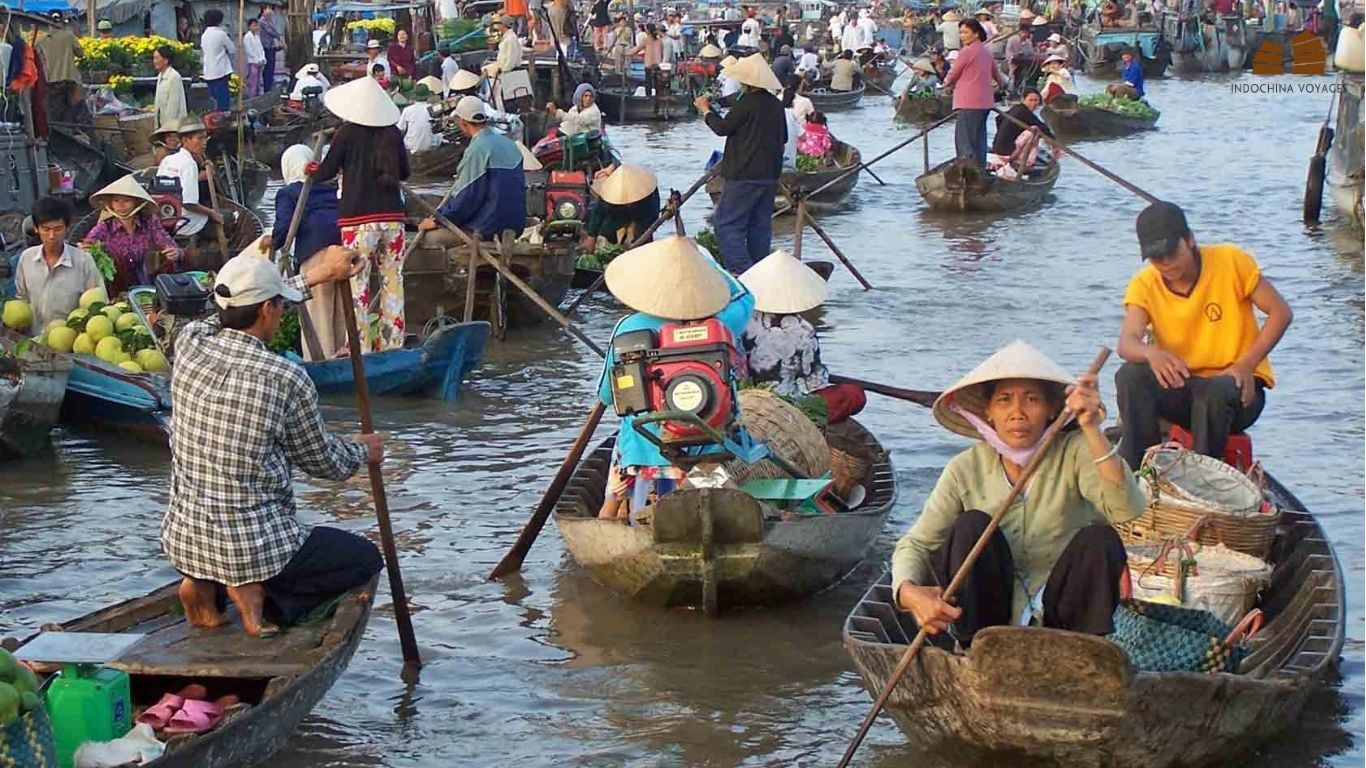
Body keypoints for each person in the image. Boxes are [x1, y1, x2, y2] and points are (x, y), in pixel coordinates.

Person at [163, 246, 385, 638]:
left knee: (226, 529)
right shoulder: (286, 377)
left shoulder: (189, 341)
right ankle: (259, 597)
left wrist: (318, 275)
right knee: (364, 559)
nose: (281, 311)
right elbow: (325, 464)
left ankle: (206, 582)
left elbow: (228, 310)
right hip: (256, 547)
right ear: (268, 311)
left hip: (185, 540)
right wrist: (363, 451)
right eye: (280, 305)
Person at [890, 340, 1145, 648]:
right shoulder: (965, 468)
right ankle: (974, 648)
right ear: (989, 412)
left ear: (1052, 409)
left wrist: (1091, 429)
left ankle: (1077, 652)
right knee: (971, 525)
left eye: (1031, 399)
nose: (1017, 413)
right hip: (988, 624)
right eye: (1004, 401)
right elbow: (916, 543)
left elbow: (1127, 509)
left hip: (1062, 615)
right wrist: (908, 593)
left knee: (1102, 539)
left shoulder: (1077, 451)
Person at [1115, 201, 1292, 469]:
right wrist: (1152, 353)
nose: (1165, 263)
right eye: (1156, 257)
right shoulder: (1145, 284)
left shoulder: (1231, 261)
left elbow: (1280, 312)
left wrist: (1247, 363)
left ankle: (1204, 476)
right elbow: (1127, 342)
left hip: (1237, 390)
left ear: (1190, 240)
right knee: (1129, 375)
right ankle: (1139, 471)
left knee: (1215, 392)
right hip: (1184, 387)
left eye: (1171, 252)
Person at [595, 236, 755, 521]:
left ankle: (608, 516)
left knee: (621, 461)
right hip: (705, 445)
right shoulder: (719, 324)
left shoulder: (628, 328)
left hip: (642, 451)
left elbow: (607, 396)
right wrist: (707, 266)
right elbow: (746, 296)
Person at [310, 76, 411, 353]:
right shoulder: (392, 134)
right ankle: (393, 345)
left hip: (359, 221)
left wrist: (311, 169)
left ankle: (360, 348)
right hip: (393, 219)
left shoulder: (347, 133)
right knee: (393, 282)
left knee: (358, 285)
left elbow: (326, 171)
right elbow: (405, 172)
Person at [737, 249, 865, 425]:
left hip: (745, 399)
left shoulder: (741, 323)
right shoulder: (804, 331)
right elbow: (815, 383)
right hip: (787, 406)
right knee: (854, 394)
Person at [696, 54, 786, 273]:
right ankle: (760, 273)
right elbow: (782, 138)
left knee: (725, 226)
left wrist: (705, 110)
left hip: (744, 174)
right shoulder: (775, 104)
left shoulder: (746, 104)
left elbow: (722, 128)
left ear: (746, 82)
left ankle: (745, 275)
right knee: (759, 228)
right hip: (769, 175)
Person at [270, 144, 345, 361]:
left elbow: (284, 226)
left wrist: (273, 242)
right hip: (344, 250)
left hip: (316, 253)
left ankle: (320, 360)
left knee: (318, 310)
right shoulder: (332, 189)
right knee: (342, 308)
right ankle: (345, 354)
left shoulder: (289, 192)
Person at [418, 96, 527, 240]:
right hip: (516, 225)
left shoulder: (477, 149)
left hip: (487, 227)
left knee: (430, 239)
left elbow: (466, 199)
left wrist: (437, 220)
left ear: (462, 122)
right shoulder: (511, 144)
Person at [82, 175, 181, 295]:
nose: (121, 205)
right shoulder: (105, 227)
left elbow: (169, 244)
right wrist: (86, 251)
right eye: (116, 200)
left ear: (136, 202)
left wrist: (175, 253)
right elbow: (86, 247)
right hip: (116, 285)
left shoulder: (148, 222)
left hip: (144, 280)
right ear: (111, 203)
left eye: (126, 200)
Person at [15, 197, 103, 330]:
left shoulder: (83, 262)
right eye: (46, 229)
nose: (51, 235)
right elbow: (21, 299)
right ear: (36, 228)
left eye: (57, 229)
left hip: (70, 344)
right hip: (33, 341)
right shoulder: (26, 259)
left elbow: (98, 305)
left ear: (67, 228)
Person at [942, 17, 1007, 167]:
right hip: (985, 102)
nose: (962, 36)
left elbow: (953, 74)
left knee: (964, 139)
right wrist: (1003, 85)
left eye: (965, 33)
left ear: (976, 34)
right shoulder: (986, 52)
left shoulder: (967, 52)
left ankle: (967, 169)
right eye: (961, 33)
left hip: (968, 101)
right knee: (978, 139)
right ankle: (979, 168)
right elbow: (996, 75)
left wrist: (946, 84)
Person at [157, 118, 218, 241]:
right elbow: (188, 203)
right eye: (199, 138)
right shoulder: (189, 164)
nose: (204, 142)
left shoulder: (168, 159)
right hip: (185, 222)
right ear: (185, 140)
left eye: (205, 138)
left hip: (165, 216)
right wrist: (212, 213)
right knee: (229, 218)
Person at [582, 164, 659, 250]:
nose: (628, 203)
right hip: (617, 211)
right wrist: (592, 237)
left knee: (640, 239)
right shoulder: (608, 194)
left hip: (642, 213)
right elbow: (598, 214)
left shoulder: (648, 193)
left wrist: (633, 233)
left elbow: (651, 219)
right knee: (606, 231)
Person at [987, 89, 1054, 179]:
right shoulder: (1024, 112)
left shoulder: (1016, 108)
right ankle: (1024, 162)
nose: (1033, 103)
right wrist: (1055, 143)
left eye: (1036, 100)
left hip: (996, 147)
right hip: (1008, 152)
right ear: (1023, 100)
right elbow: (1043, 128)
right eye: (1030, 100)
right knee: (1033, 131)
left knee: (1030, 130)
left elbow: (998, 119)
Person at [36, 15, 81, 120]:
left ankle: (56, 132)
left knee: (54, 110)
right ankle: (68, 131)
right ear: (62, 23)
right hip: (69, 78)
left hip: (51, 79)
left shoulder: (41, 40)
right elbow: (80, 53)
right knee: (70, 109)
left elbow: (38, 58)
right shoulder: (69, 36)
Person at [200, 10, 235, 112]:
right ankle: (222, 122)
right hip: (220, 71)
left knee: (215, 98)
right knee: (223, 101)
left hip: (209, 72)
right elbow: (232, 49)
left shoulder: (204, 35)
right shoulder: (221, 34)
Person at [151, 45, 187, 131]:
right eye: (154, 58)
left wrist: (168, 128)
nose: (154, 61)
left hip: (173, 126)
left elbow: (174, 106)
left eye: (157, 58)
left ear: (166, 60)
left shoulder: (174, 77)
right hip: (161, 124)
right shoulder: (160, 76)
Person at [395, 88, 438, 154]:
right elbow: (435, 125)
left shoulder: (407, 110)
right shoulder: (431, 108)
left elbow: (400, 128)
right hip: (428, 145)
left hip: (410, 145)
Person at [631, 24, 666, 98]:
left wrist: (627, 52)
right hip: (657, 64)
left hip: (649, 64)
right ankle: (658, 97)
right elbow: (662, 53)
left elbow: (637, 49)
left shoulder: (646, 39)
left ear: (648, 30)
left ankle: (648, 97)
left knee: (648, 82)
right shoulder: (659, 40)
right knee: (657, 82)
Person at [259, 4, 282, 95]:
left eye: (271, 9)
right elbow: (272, 32)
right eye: (269, 9)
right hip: (266, 47)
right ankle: (267, 89)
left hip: (271, 47)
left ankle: (269, 87)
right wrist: (280, 39)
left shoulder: (269, 20)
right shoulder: (262, 21)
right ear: (263, 10)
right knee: (268, 68)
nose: (271, 11)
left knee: (271, 68)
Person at [1005, 24, 1035, 92]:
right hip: (1012, 61)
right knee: (1013, 76)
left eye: (1026, 33)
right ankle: (1011, 90)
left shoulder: (1028, 41)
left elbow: (1030, 53)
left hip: (1024, 62)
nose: (1024, 34)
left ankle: (1022, 89)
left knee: (1026, 74)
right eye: (1023, 32)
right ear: (1019, 32)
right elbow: (1008, 52)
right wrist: (1014, 56)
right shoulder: (1012, 40)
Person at [244, 18, 267, 97]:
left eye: (257, 26)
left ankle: (258, 95)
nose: (256, 28)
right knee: (253, 81)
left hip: (260, 61)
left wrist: (262, 58)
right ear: (249, 26)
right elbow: (249, 50)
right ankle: (252, 97)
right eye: (254, 26)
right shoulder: (247, 37)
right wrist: (257, 59)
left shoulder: (257, 36)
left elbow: (261, 48)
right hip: (252, 62)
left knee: (258, 81)